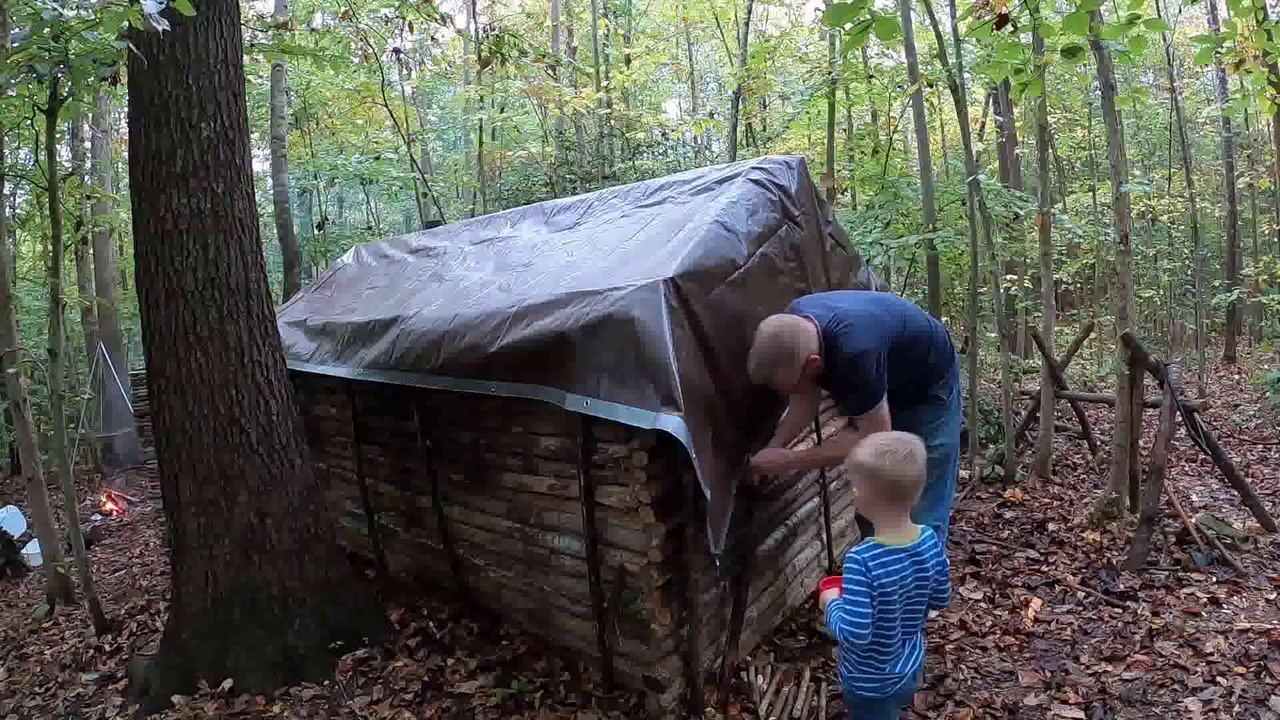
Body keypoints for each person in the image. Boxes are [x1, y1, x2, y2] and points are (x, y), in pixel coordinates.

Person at [746, 290, 961, 545]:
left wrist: (789, 460)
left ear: (814, 364)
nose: (792, 394)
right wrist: (774, 448)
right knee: (875, 498)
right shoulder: (794, 326)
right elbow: (804, 398)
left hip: (928, 387)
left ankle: (922, 567)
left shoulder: (854, 353)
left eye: (793, 385)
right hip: (883, 379)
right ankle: (877, 565)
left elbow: (875, 439)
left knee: (921, 501)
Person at [818, 431, 951, 720]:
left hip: (869, 684)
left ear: (866, 497)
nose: (853, 492)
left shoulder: (862, 560)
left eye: (855, 486)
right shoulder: (929, 540)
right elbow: (941, 598)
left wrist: (830, 603)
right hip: (910, 666)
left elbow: (856, 632)